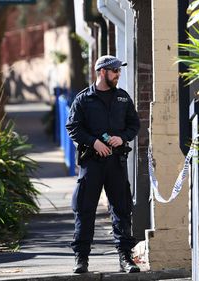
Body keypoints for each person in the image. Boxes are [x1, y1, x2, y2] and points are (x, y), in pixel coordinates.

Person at [66, 55, 141, 274]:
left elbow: (134, 124)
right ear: (102, 72)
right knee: (84, 208)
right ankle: (81, 258)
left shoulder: (123, 98)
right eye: (114, 70)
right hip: (92, 162)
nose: (118, 74)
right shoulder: (84, 99)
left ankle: (125, 258)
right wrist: (94, 142)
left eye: (118, 70)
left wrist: (123, 137)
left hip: (116, 162)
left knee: (121, 209)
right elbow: (73, 127)